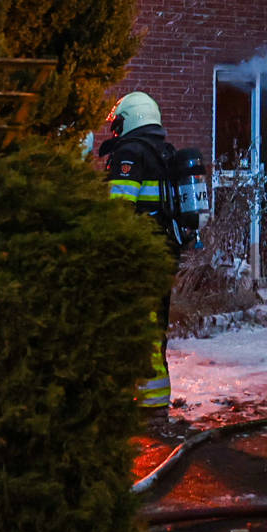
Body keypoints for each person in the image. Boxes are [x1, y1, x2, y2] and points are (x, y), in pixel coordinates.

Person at [99, 91, 185, 415]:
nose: (115, 130)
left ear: (133, 118)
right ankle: (155, 395)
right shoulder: (164, 152)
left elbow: (119, 209)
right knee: (155, 321)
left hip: (137, 254)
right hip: (163, 251)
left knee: (130, 322)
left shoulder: (131, 153)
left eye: (118, 123)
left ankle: (133, 398)